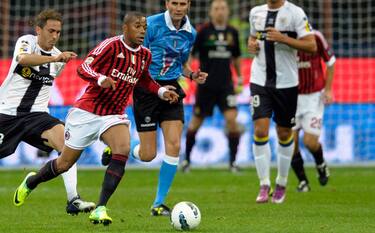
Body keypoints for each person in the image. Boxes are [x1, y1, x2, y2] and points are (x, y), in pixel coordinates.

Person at [13, 12, 179, 225]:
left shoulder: (145, 54)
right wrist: (100, 79)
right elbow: (84, 68)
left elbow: (144, 78)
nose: (142, 31)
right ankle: (32, 181)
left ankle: (100, 208)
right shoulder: (110, 46)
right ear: (125, 28)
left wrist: (161, 92)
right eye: (137, 26)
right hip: (87, 112)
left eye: (144, 28)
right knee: (64, 163)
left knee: (123, 149)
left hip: (114, 114)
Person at [101, 0, 207, 216]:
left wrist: (193, 75)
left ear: (188, 5)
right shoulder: (149, 25)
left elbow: (181, 64)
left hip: (172, 89)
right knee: (148, 154)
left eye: (183, 3)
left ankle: (158, 203)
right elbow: (136, 55)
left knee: (175, 144)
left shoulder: (190, 33)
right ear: (167, 3)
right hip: (147, 89)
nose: (178, 7)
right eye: (174, 3)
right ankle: (118, 148)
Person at [0, 9, 95, 215]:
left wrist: (56, 59)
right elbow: (23, 59)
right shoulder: (27, 42)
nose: (55, 36)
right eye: (51, 31)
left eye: (58, 32)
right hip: (6, 113)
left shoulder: (58, 57)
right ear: (38, 30)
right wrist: (54, 59)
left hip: (37, 115)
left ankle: (73, 199)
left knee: (69, 146)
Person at [248, 0, 317, 203]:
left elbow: (311, 45)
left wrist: (283, 39)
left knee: (284, 132)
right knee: (260, 130)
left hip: (286, 83)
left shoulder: (295, 13)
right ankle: (263, 184)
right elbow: (252, 40)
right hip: (259, 79)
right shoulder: (256, 12)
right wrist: (251, 45)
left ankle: (282, 182)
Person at [182, 0, 244, 173]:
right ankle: (186, 160)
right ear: (210, 12)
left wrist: (239, 76)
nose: (220, 12)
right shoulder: (203, 31)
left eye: (223, 8)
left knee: (232, 121)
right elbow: (191, 55)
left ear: (228, 11)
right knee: (195, 123)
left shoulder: (233, 32)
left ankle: (233, 163)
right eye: (216, 9)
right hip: (206, 86)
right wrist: (188, 74)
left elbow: (237, 57)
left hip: (226, 86)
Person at [291, 30, 335, 192]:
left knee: (310, 142)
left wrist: (328, 90)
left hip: (313, 98)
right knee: (290, 144)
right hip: (291, 97)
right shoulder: (283, 37)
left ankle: (321, 163)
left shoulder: (315, 37)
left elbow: (330, 62)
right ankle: (303, 182)